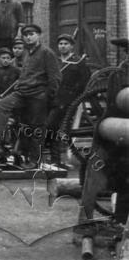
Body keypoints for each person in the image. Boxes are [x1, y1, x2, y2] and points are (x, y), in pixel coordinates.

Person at [0, 24, 61, 168]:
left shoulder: (47, 53)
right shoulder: (27, 53)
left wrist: (48, 96)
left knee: (36, 128)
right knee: (2, 104)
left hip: (38, 96)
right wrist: (20, 84)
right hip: (22, 93)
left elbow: (55, 77)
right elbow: (25, 74)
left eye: (32, 34)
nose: (28, 37)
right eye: (26, 34)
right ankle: (0, 140)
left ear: (39, 35)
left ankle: (35, 161)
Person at [48, 33, 90, 166]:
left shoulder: (78, 62)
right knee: (52, 127)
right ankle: (55, 160)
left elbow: (84, 81)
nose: (63, 46)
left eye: (66, 44)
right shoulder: (55, 61)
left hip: (67, 100)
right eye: (60, 44)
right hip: (52, 98)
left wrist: (73, 97)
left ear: (72, 46)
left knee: (53, 126)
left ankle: (56, 160)